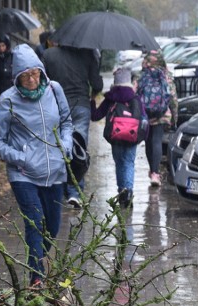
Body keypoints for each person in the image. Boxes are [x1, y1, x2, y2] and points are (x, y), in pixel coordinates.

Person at [0, 44, 73, 287]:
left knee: (53, 228)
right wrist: (21, 158)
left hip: (55, 171)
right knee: (34, 223)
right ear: (17, 77)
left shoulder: (55, 90)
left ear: (42, 71)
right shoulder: (7, 101)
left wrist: (65, 145)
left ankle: (38, 260)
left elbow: (67, 122)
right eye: (25, 76)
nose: (31, 79)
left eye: (35, 73)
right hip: (23, 174)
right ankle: (36, 277)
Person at [41, 41, 103, 209]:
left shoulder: (49, 55)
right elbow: (98, 85)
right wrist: (92, 95)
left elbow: (42, 83)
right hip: (81, 105)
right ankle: (75, 192)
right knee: (78, 148)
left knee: (59, 147)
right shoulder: (88, 54)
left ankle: (58, 190)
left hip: (57, 107)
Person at [90, 67, 146, 208]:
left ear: (115, 82)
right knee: (128, 163)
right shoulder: (136, 98)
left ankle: (122, 192)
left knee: (120, 164)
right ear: (129, 81)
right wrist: (142, 137)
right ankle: (128, 192)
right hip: (131, 137)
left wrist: (91, 100)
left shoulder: (110, 98)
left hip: (115, 137)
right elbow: (144, 119)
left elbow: (95, 116)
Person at [136, 50, 177, 186]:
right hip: (162, 113)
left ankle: (152, 170)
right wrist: (174, 118)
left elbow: (133, 95)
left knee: (148, 142)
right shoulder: (166, 76)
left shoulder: (140, 76)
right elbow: (173, 98)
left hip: (145, 114)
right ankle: (156, 173)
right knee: (157, 140)